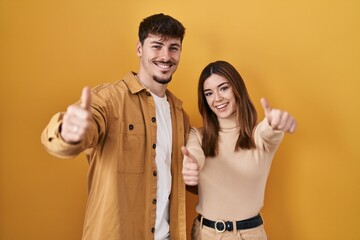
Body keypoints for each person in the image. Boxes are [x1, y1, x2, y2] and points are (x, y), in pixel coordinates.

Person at [41, 13, 190, 240]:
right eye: (157, 46)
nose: (165, 56)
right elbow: (81, 129)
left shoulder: (180, 115)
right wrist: (68, 133)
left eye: (173, 48)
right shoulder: (108, 99)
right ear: (140, 49)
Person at [182, 60, 297, 239]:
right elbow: (194, 153)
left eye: (223, 88)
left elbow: (269, 132)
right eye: (209, 93)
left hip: (249, 235)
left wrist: (275, 123)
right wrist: (191, 164)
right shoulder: (197, 135)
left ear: (237, 89)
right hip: (206, 234)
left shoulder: (258, 136)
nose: (217, 98)